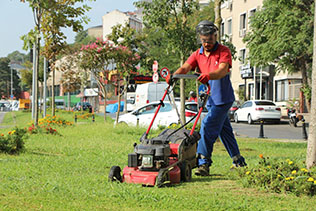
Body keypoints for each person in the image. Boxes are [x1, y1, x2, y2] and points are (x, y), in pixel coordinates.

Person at [167, 20, 246, 176]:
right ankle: (239, 162)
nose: (206, 44)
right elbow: (185, 67)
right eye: (203, 41)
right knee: (225, 132)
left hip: (222, 99)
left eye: (209, 40)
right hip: (209, 99)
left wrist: (208, 75)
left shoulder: (224, 51)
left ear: (215, 37)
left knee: (207, 126)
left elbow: (222, 70)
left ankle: (204, 163)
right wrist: (174, 75)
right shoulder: (198, 54)